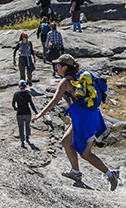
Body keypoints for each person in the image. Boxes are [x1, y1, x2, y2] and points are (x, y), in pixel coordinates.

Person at [31, 54, 119, 191]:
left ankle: (110, 174)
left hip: (83, 119)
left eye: (58, 65)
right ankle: (76, 172)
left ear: (65, 67)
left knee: (86, 153)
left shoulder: (66, 81)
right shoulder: (77, 78)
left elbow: (55, 100)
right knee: (66, 141)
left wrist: (40, 114)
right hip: (87, 117)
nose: (56, 67)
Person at [12, 80, 37, 148]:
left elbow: (13, 104)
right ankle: (27, 136)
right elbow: (31, 104)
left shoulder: (16, 94)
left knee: (21, 127)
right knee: (27, 126)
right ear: (26, 86)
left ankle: (22, 141)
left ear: (19, 86)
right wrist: (36, 112)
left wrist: (16, 108)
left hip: (20, 113)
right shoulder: (28, 94)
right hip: (27, 112)